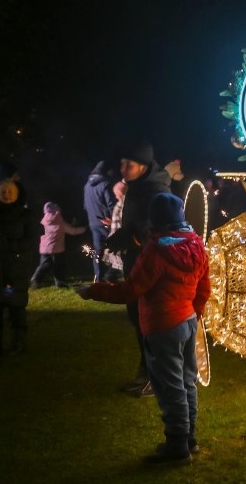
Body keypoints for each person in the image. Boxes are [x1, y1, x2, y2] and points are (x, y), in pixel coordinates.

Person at [77, 193, 210, 466]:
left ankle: (177, 446)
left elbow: (131, 289)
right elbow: (203, 288)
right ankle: (189, 439)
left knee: (170, 386)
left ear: (156, 220)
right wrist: (194, 314)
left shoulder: (157, 250)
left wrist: (93, 291)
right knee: (186, 382)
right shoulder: (196, 244)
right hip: (186, 320)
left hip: (163, 325)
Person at [105, 142, 172, 396]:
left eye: (128, 164)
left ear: (143, 166)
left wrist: (128, 239)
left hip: (149, 262)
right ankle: (146, 372)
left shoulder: (155, 190)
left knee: (149, 318)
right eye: (122, 163)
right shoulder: (138, 186)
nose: (123, 168)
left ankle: (155, 377)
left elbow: (150, 228)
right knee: (137, 316)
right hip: (136, 260)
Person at [0, 175, 35, 357]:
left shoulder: (25, 215)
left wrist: (6, 245)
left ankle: (18, 342)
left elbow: (30, 241)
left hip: (16, 269)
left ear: (17, 193)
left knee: (15, 303)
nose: (6, 194)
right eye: (3, 192)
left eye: (10, 192)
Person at [30, 202, 87, 289]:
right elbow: (73, 231)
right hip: (58, 249)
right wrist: (84, 229)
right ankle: (60, 283)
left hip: (44, 249)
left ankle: (36, 280)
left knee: (44, 265)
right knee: (59, 266)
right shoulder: (60, 222)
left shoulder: (43, 221)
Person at [83, 160, 117, 283]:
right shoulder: (105, 184)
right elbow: (111, 204)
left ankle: (98, 276)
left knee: (97, 252)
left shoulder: (87, 185)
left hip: (93, 223)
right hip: (106, 223)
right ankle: (112, 275)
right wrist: (115, 218)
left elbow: (85, 206)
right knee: (115, 248)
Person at [101, 180, 127, 282]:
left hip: (119, 243)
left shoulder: (122, 205)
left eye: (116, 194)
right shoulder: (122, 204)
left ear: (120, 193)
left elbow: (122, 224)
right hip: (118, 242)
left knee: (111, 276)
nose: (115, 197)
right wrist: (111, 222)